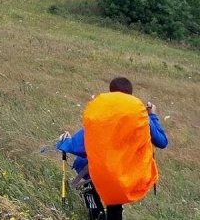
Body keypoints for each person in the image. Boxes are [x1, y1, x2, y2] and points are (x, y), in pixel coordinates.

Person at [57, 77, 168, 220]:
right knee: (115, 201)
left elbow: (80, 144)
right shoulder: (139, 115)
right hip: (122, 175)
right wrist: (152, 116)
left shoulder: (102, 113)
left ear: (110, 92)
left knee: (89, 187)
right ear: (130, 94)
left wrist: (64, 142)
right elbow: (162, 142)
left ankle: (96, 215)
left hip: (94, 172)